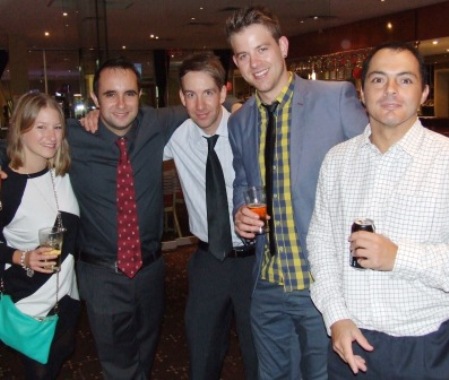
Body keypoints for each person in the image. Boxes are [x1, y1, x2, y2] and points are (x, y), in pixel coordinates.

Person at [225, 6, 369, 380]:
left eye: (262, 49)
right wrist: (241, 210)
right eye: (243, 55)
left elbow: (372, 168)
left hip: (323, 283)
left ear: (283, 46)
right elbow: (244, 182)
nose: (254, 63)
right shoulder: (240, 121)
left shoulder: (334, 99)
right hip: (269, 282)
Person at [307, 41, 449, 380]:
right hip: (350, 341)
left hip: (425, 348)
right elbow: (321, 245)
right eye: (378, 79)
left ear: (425, 92)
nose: (390, 90)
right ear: (361, 91)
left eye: (405, 80)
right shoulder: (338, 160)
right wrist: (336, 317)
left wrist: (399, 257)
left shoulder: (444, 160)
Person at [66, 57, 187, 379]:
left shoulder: (155, 123)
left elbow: (209, 99)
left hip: (150, 271)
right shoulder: (72, 136)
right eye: (110, 95)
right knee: (118, 364)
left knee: (145, 353)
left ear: (140, 96)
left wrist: (233, 102)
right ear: (95, 100)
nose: (121, 104)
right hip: (102, 273)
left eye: (129, 94)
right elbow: (19, 143)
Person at [163, 53, 258, 379]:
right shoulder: (177, 136)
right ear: (181, 98)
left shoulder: (247, 128)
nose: (200, 104)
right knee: (201, 352)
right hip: (208, 260)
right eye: (191, 94)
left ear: (223, 92)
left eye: (208, 92)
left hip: (254, 259)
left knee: (257, 352)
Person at [0, 92, 80, 379]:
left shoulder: (62, 172)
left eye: (57, 127)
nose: (51, 136)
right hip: (30, 301)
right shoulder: (6, 184)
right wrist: (21, 256)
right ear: (21, 128)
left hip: (67, 297)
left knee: (57, 362)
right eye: (40, 127)